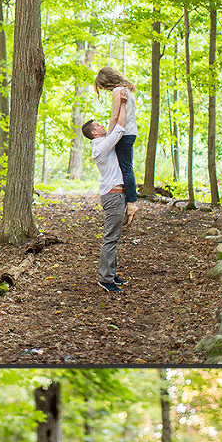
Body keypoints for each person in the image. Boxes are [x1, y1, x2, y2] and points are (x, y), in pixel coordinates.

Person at [81, 88, 129, 294]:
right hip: (112, 196)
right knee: (110, 237)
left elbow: (113, 125)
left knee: (114, 236)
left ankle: (112, 273)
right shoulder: (100, 147)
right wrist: (124, 104)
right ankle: (105, 279)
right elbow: (119, 129)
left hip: (116, 194)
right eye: (99, 125)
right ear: (94, 132)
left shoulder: (103, 143)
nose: (102, 126)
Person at [94, 66, 139, 227]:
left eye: (102, 85)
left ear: (107, 81)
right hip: (131, 132)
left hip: (124, 134)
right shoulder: (128, 90)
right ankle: (129, 202)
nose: (104, 89)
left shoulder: (117, 91)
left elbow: (114, 115)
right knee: (125, 167)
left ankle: (131, 203)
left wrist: (109, 136)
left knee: (126, 168)